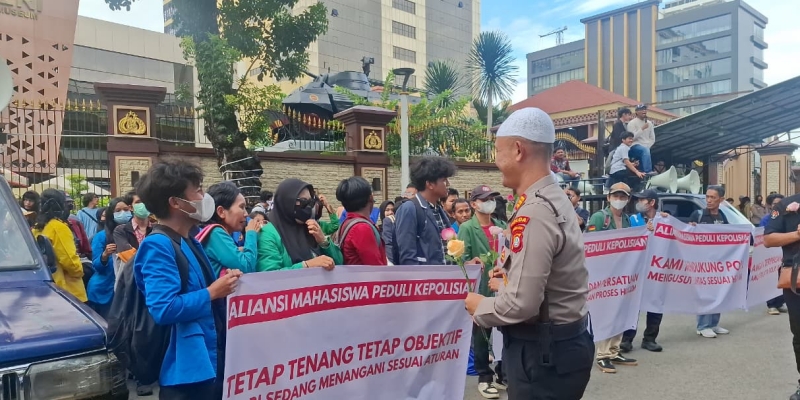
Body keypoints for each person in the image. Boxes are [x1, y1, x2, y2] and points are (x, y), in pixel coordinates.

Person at [464, 107, 593, 400]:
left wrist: (479, 307)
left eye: (498, 151)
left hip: (543, 354)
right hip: (560, 346)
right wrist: (509, 279)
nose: (495, 161)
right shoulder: (551, 197)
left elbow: (521, 305)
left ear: (518, 150)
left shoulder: (534, 211)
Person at [133, 159, 240, 400]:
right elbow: (163, 308)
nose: (204, 197)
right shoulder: (158, 245)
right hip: (187, 370)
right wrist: (212, 292)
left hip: (209, 358)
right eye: (198, 190)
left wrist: (226, 282)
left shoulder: (189, 239)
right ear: (175, 202)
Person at [458, 185, 506, 398]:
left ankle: (503, 373)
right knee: (481, 334)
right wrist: (470, 262)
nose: (489, 203)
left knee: (505, 331)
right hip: (481, 287)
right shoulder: (468, 228)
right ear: (474, 204)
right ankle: (484, 377)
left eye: (491, 199)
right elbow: (461, 258)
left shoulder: (501, 225)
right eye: (485, 199)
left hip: (502, 285)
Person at [585, 182, 639, 373]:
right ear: (608, 198)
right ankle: (602, 354)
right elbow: (591, 244)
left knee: (620, 311)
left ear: (628, 199)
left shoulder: (627, 219)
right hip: (604, 274)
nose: (619, 200)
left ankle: (614, 350)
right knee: (606, 312)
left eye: (623, 197)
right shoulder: (600, 218)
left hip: (622, 274)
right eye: (616, 196)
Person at [256, 178, 341, 271]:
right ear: (287, 202)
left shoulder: (311, 227)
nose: (308, 207)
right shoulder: (268, 233)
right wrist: (306, 265)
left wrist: (324, 242)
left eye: (310, 202)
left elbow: (339, 263)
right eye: (303, 201)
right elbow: (269, 274)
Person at [621, 189, 667, 353]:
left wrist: (691, 227)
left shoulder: (665, 220)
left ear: (652, 202)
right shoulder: (633, 219)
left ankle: (650, 339)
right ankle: (626, 339)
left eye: (642, 199)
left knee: (656, 303)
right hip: (637, 269)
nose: (638, 202)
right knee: (632, 305)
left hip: (657, 270)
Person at [764, 191, 800, 400]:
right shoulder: (786, 205)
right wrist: (797, 235)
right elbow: (768, 239)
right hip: (796, 281)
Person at [394, 157, 457, 266]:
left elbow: (446, 249)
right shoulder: (410, 209)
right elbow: (407, 256)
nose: (448, 184)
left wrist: (465, 264)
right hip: (425, 276)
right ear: (430, 184)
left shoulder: (439, 210)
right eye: (444, 180)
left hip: (445, 276)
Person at [689, 185, 731, 338]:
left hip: (718, 263)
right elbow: (687, 235)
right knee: (705, 294)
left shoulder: (722, 216)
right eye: (707, 196)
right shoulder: (698, 215)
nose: (709, 200)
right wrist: (691, 228)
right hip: (702, 263)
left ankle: (713, 323)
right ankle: (703, 326)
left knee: (717, 294)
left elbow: (728, 235)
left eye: (713, 197)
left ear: (721, 199)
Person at [33, 189, 87, 302]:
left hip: (47, 287)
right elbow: (70, 261)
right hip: (68, 290)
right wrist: (79, 271)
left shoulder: (37, 228)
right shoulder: (58, 227)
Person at [199, 182, 262, 277]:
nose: (246, 214)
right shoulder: (215, 233)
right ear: (221, 212)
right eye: (241, 207)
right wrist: (251, 233)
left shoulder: (217, 233)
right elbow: (247, 267)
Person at [334, 176, 387, 265]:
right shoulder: (362, 228)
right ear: (370, 198)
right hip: (365, 274)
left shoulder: (346, 223)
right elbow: (375, 267)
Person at [87, 202, 122, 319]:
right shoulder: (101, 236)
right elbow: (97, 266)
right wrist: (105, 255)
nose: (123, 213)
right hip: (104, 291)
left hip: (124, 292)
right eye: (118, 210)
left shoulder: (131, 234)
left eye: (126, 209)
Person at [761, 193, 788, 315]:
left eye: (781, 204)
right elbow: (762, 236)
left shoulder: (787, 217)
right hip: (770, 254)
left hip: (783, 253)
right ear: (770, 205)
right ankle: (771, 304)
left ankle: (780, 302)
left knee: (783, 278)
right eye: (775, 204)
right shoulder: (766, 219)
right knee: (771, 279)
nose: (778, 206)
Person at [626, 104, 655, 174]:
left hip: (646, 146)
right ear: (636, 112)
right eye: (641, 109)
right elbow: (631, 138)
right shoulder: (632, 123)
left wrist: (648, 146)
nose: (644, 111)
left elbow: (652, 138)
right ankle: (648, 171)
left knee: (647, 151)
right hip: (635, 146)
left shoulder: (649, 123)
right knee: (645, 150)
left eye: (645, 109)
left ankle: (643, 173)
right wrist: (642, 129)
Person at [605, 108, 634, 174]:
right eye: (628, 115)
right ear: (624, 114)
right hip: (615, 148)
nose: (629, 117)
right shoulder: (618, 124)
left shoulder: (623, 124)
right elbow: (618, 137)